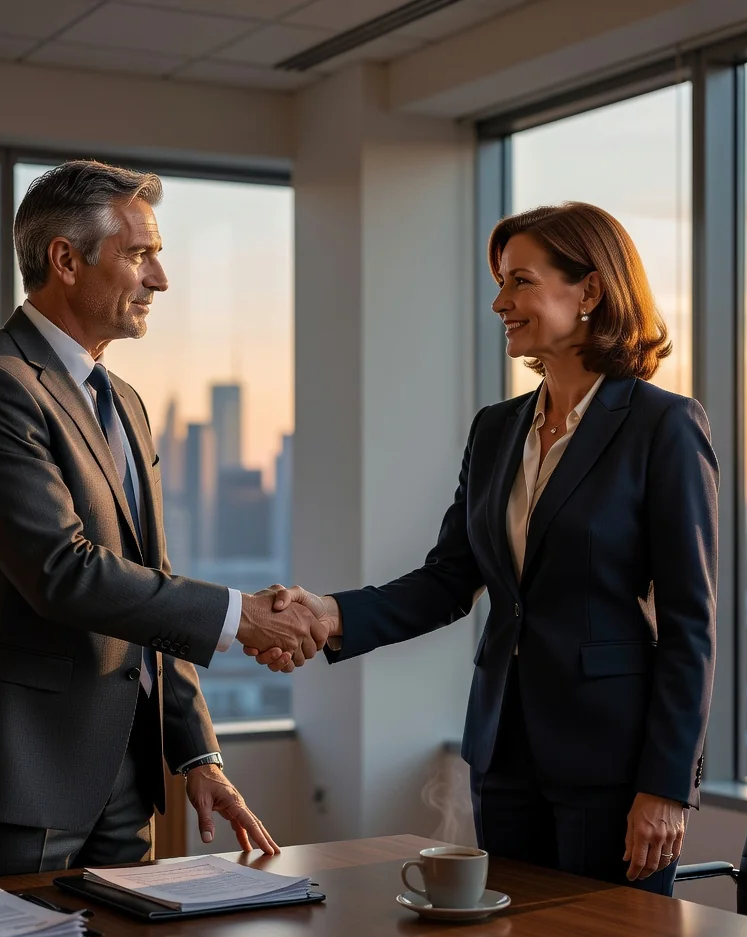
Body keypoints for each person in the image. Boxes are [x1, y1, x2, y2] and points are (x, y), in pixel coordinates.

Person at [247, 202, 718, 896]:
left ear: (588, 291)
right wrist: (327, 613)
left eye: (519, 281)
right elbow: (450, 577)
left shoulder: (663, 426)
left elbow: (690, 627)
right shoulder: (497, 430)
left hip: (611, 759)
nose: (500, 301)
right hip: (503, 752)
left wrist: (668, 786)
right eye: (500, 282)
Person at [0, 160, 327, 881]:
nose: (159, 279)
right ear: (66, 260)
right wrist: (241, 617)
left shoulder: (123, 400)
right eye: (139, 255)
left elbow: (146, 583)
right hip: (16, 770)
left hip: (124, 775)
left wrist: (196, 751)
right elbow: (62, 574)